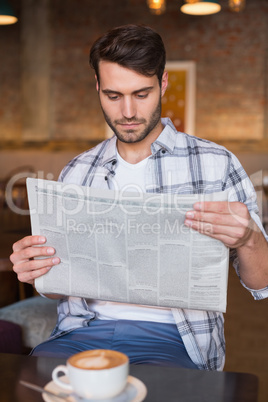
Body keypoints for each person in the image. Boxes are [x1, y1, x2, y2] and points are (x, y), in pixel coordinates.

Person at [10, 24, 268, 371]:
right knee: (33, 386)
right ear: (98, 87)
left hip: (176, 338)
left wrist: (250, 238)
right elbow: (59, 288)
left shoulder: (215, 163)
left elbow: (262, 284)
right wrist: (37, 271)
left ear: (163, 84)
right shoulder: (78, 170)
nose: (128, 112)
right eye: (113, 96)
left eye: (141, 94)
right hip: (81, 333)